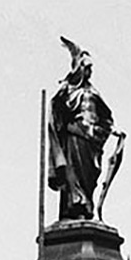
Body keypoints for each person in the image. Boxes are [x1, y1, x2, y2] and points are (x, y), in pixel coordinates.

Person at [49, 37, 115, 221]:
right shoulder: (68, 91)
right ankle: (75, 206)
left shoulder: (94, 92)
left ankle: (86, 207)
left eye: (91, 69)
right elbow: (57, 110)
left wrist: (106, 131)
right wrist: (59, 101)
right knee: (73, 174)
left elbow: (107, 117)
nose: (90, 72)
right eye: (87, 68)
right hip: (75, 137)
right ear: (80, 68)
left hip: (91, 142)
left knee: (89, 176)